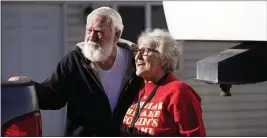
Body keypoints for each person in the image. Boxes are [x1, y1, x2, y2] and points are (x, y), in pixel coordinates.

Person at [8, 7, 143, 136]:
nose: (92, 37)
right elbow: (52, 95)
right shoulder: (75, 61)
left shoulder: (136, 62)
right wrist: (27, 88)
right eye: (89, 30)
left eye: (99, 31)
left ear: (117, 34)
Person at [120, 29, 206, 136]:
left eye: (145, 51)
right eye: (138, 51)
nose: (138, 57)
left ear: (163, 58)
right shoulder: (136, 88)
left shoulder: (178, 91)